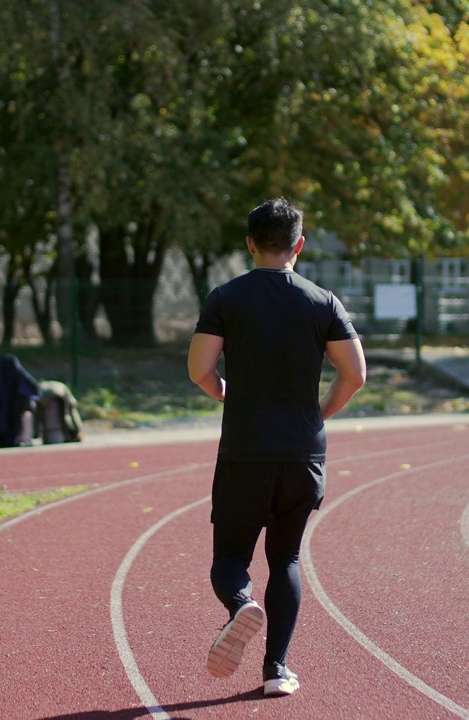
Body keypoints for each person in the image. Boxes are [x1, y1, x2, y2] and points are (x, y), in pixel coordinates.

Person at [187, 198, 366, 698]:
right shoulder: (323, 302)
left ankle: (241, 603)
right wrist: (320, 412)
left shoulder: (226, 298)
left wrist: (223, 391)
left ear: (249, 244)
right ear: (299, 245)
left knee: (229, 559)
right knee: (285, 558)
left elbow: (199, 369)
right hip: (302, 455)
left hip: (245, 451)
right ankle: (276, 671)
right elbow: (355, 374)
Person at [0, 354, 40, 448]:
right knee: (27, 411)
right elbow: (34, 389)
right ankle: (25, 439)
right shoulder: (19, 382)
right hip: (14, 429)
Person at [35, 379, 83, 444]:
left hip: (55, 394)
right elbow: (72, 409)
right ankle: (73, 434)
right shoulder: (60, 389)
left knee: (66, 415)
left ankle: (73, 434)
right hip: (57, 393)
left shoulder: (45, 389)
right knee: (67, 415)